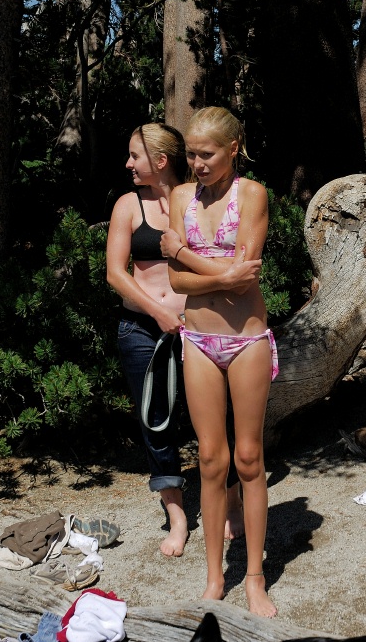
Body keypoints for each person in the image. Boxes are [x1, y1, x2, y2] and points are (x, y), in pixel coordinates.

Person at [159, 107, 278, 618]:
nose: (197, 163)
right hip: (198, 339)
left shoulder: (252, 195)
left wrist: (184, 253)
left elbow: (244, 279)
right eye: (190, 153)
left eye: (206, 154)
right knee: (210, 460)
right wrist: (215, 275)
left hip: (247, 340)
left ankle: (254, 576)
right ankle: (214, 575)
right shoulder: (181, 197)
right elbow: (177, 285)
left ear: (234, 148)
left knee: (248, 460)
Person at [105, 122, 243, 560]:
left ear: (160, 161)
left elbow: (221, 254)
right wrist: (159, 311)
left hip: (200, 325)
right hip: (143, 330)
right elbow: (115, 272)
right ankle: (179, 517)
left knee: (217, 421)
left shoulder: (193, 200)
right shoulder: (128, 205)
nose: (128, 164)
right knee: (156, 423)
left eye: (135, 156)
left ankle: (230, 502)